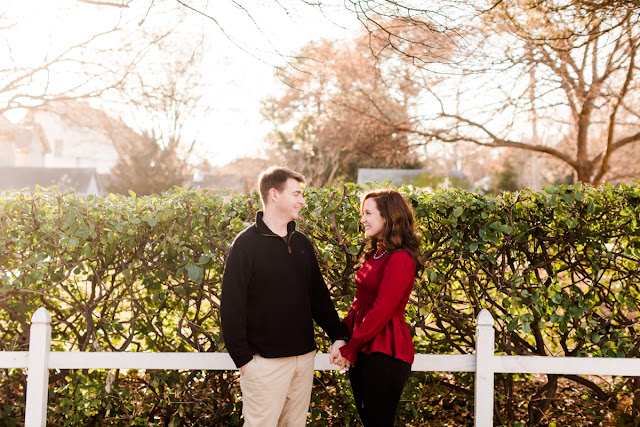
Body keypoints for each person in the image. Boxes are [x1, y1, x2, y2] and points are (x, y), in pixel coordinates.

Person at [221, 166, 350, 427]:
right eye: (296, 194)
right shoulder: (245, 245)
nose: (302, 201)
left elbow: (318, 297)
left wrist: (339, 335)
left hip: (303, 360)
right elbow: (231, 307)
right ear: (274, 195)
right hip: (264, 365)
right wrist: (244, 362)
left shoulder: (301, 242)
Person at [329, 188, 421, 427]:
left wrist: (351, 347)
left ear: (388, 217)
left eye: (368, 213)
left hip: (385, 353)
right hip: (364, 349)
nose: (362, 219)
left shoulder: (400, 258)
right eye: (363, 213)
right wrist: (343, 337)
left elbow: (382, 310)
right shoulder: (378, 254)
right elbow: (360, 303)